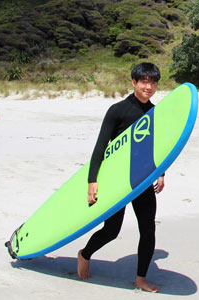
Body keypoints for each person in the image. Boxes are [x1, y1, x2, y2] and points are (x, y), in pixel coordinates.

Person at [77, 62, 164, 293]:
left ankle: (141, 279)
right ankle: (84, 255)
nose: (149, 86)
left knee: (148, 230)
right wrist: (92, 181)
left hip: (142, 180)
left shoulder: (155, 113)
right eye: (144, 81)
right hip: (117, 181)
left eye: (153, 82)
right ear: (134, 82)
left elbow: (156, 148)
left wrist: (162, 173)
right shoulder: (117, 110)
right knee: (112, 231)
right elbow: (100, 147)